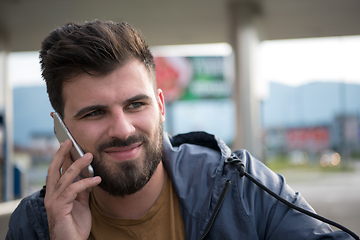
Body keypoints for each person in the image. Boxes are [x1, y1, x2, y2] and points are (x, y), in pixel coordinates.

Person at [6, 20, 355, 240]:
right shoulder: (35, 225)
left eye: (135, 105)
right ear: (62, 129)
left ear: (160, 106)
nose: (123, 128)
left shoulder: (241, 183)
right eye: (95, 112)